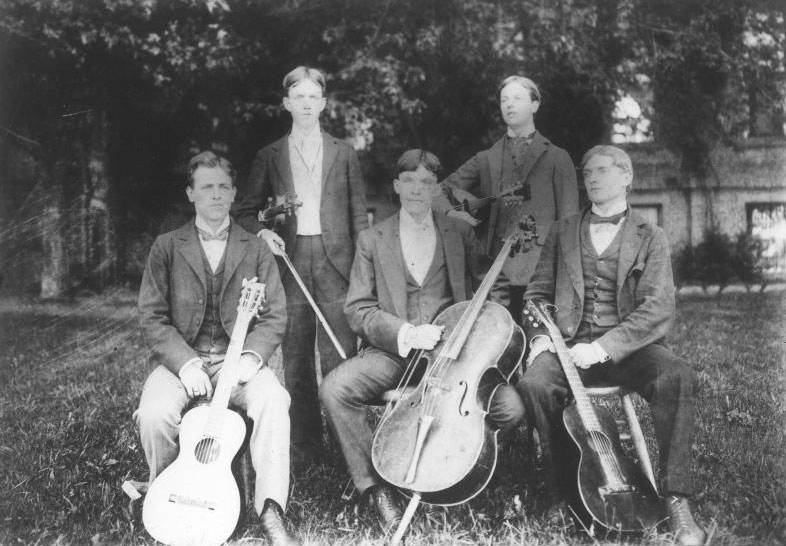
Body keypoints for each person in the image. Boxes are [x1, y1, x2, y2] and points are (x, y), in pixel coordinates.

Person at [319, 149, 524, 531]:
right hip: (394, 352)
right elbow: (358, 309)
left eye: (427, 182)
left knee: (509, 408)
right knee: (335, 388)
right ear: (396, 186)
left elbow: (490, 288)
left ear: (436, 189)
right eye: (409, 181)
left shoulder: (459, 232)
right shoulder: (372, 239)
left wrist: (487, 336)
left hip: (457, 357)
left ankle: (459, 470)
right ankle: (376, 487)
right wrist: (407, 333)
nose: (417, 189)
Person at [517, 145, 706, 546]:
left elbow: (657, 308)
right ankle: (565, 492)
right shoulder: (562, 230)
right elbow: (535, 294)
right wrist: (539, 341)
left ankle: (676, 500)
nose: (592, 179)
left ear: (626, 176)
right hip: (566, 346)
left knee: (676, 374)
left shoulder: (650, 235)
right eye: (587, 173)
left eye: (602, 171)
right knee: (535, 385)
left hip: (626, 350)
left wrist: (603, 347)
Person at [134, 151, 299, 546]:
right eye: (206, 187)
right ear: (190, 193)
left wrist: (248, 360)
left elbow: (276, 314)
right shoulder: (167, 246)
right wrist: (185, 364)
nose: (216, 195)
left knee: (274, 401)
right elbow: (152, 316)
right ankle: (166, 492)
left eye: (224, 187)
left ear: (235, 193)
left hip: (237, 358)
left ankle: (271, 509)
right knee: (155, 413)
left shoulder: (255, 248)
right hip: (182, 361)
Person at [235, 66, 368, 459]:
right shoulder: (269, 156)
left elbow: (359, 216)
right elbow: (244, 212)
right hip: (289, 264)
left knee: (339, 357)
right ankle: (306, 449)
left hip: (336, 265)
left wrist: (363, 271)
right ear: (286, 104)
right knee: (294, 358)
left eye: (314, 97)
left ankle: (348, 448)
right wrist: (262, 233)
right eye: (300, 97)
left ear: (324, 104)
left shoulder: (344, 152)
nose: (307, 104)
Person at [432, 75, 579, 321]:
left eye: (517, 98)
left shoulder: (558, 158)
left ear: (535, 105)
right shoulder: (487, 158)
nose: (509, 104)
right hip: (494, 270)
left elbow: (570, 221)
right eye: (504, 100)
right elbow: (438, 190)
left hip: (542, 270)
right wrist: (453, 213)